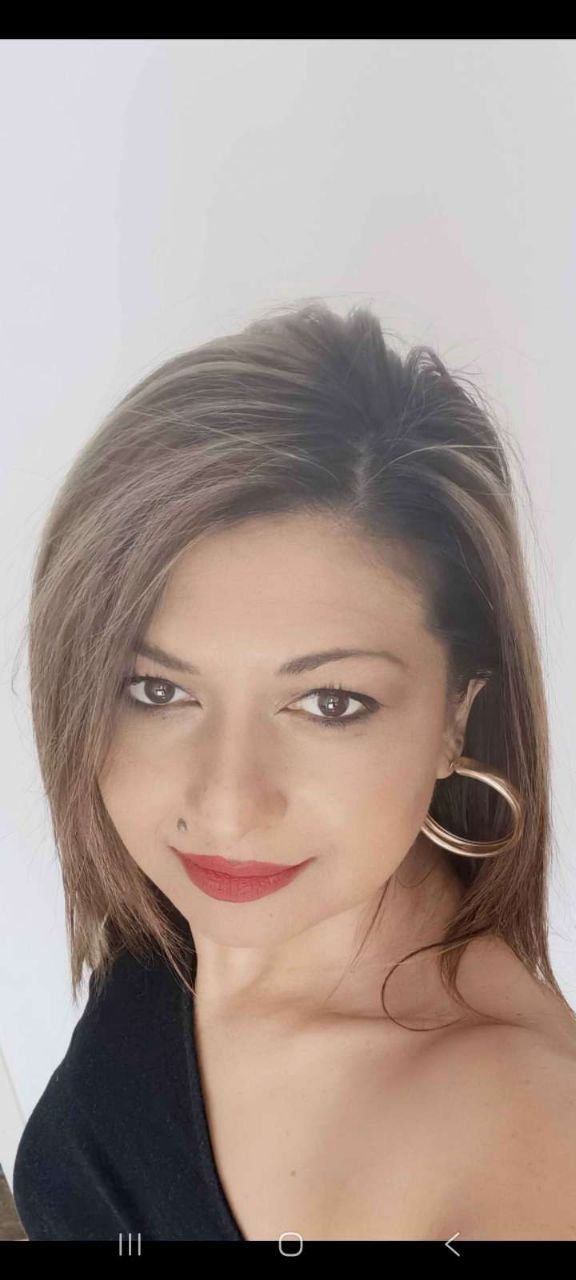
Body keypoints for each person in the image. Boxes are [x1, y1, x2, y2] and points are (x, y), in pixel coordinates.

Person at [12, 300, 576, 1241]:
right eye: (157, 689)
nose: (227, 808)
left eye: (331, 703)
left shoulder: (523, 1138)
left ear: (457, 715)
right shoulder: (182, 923)